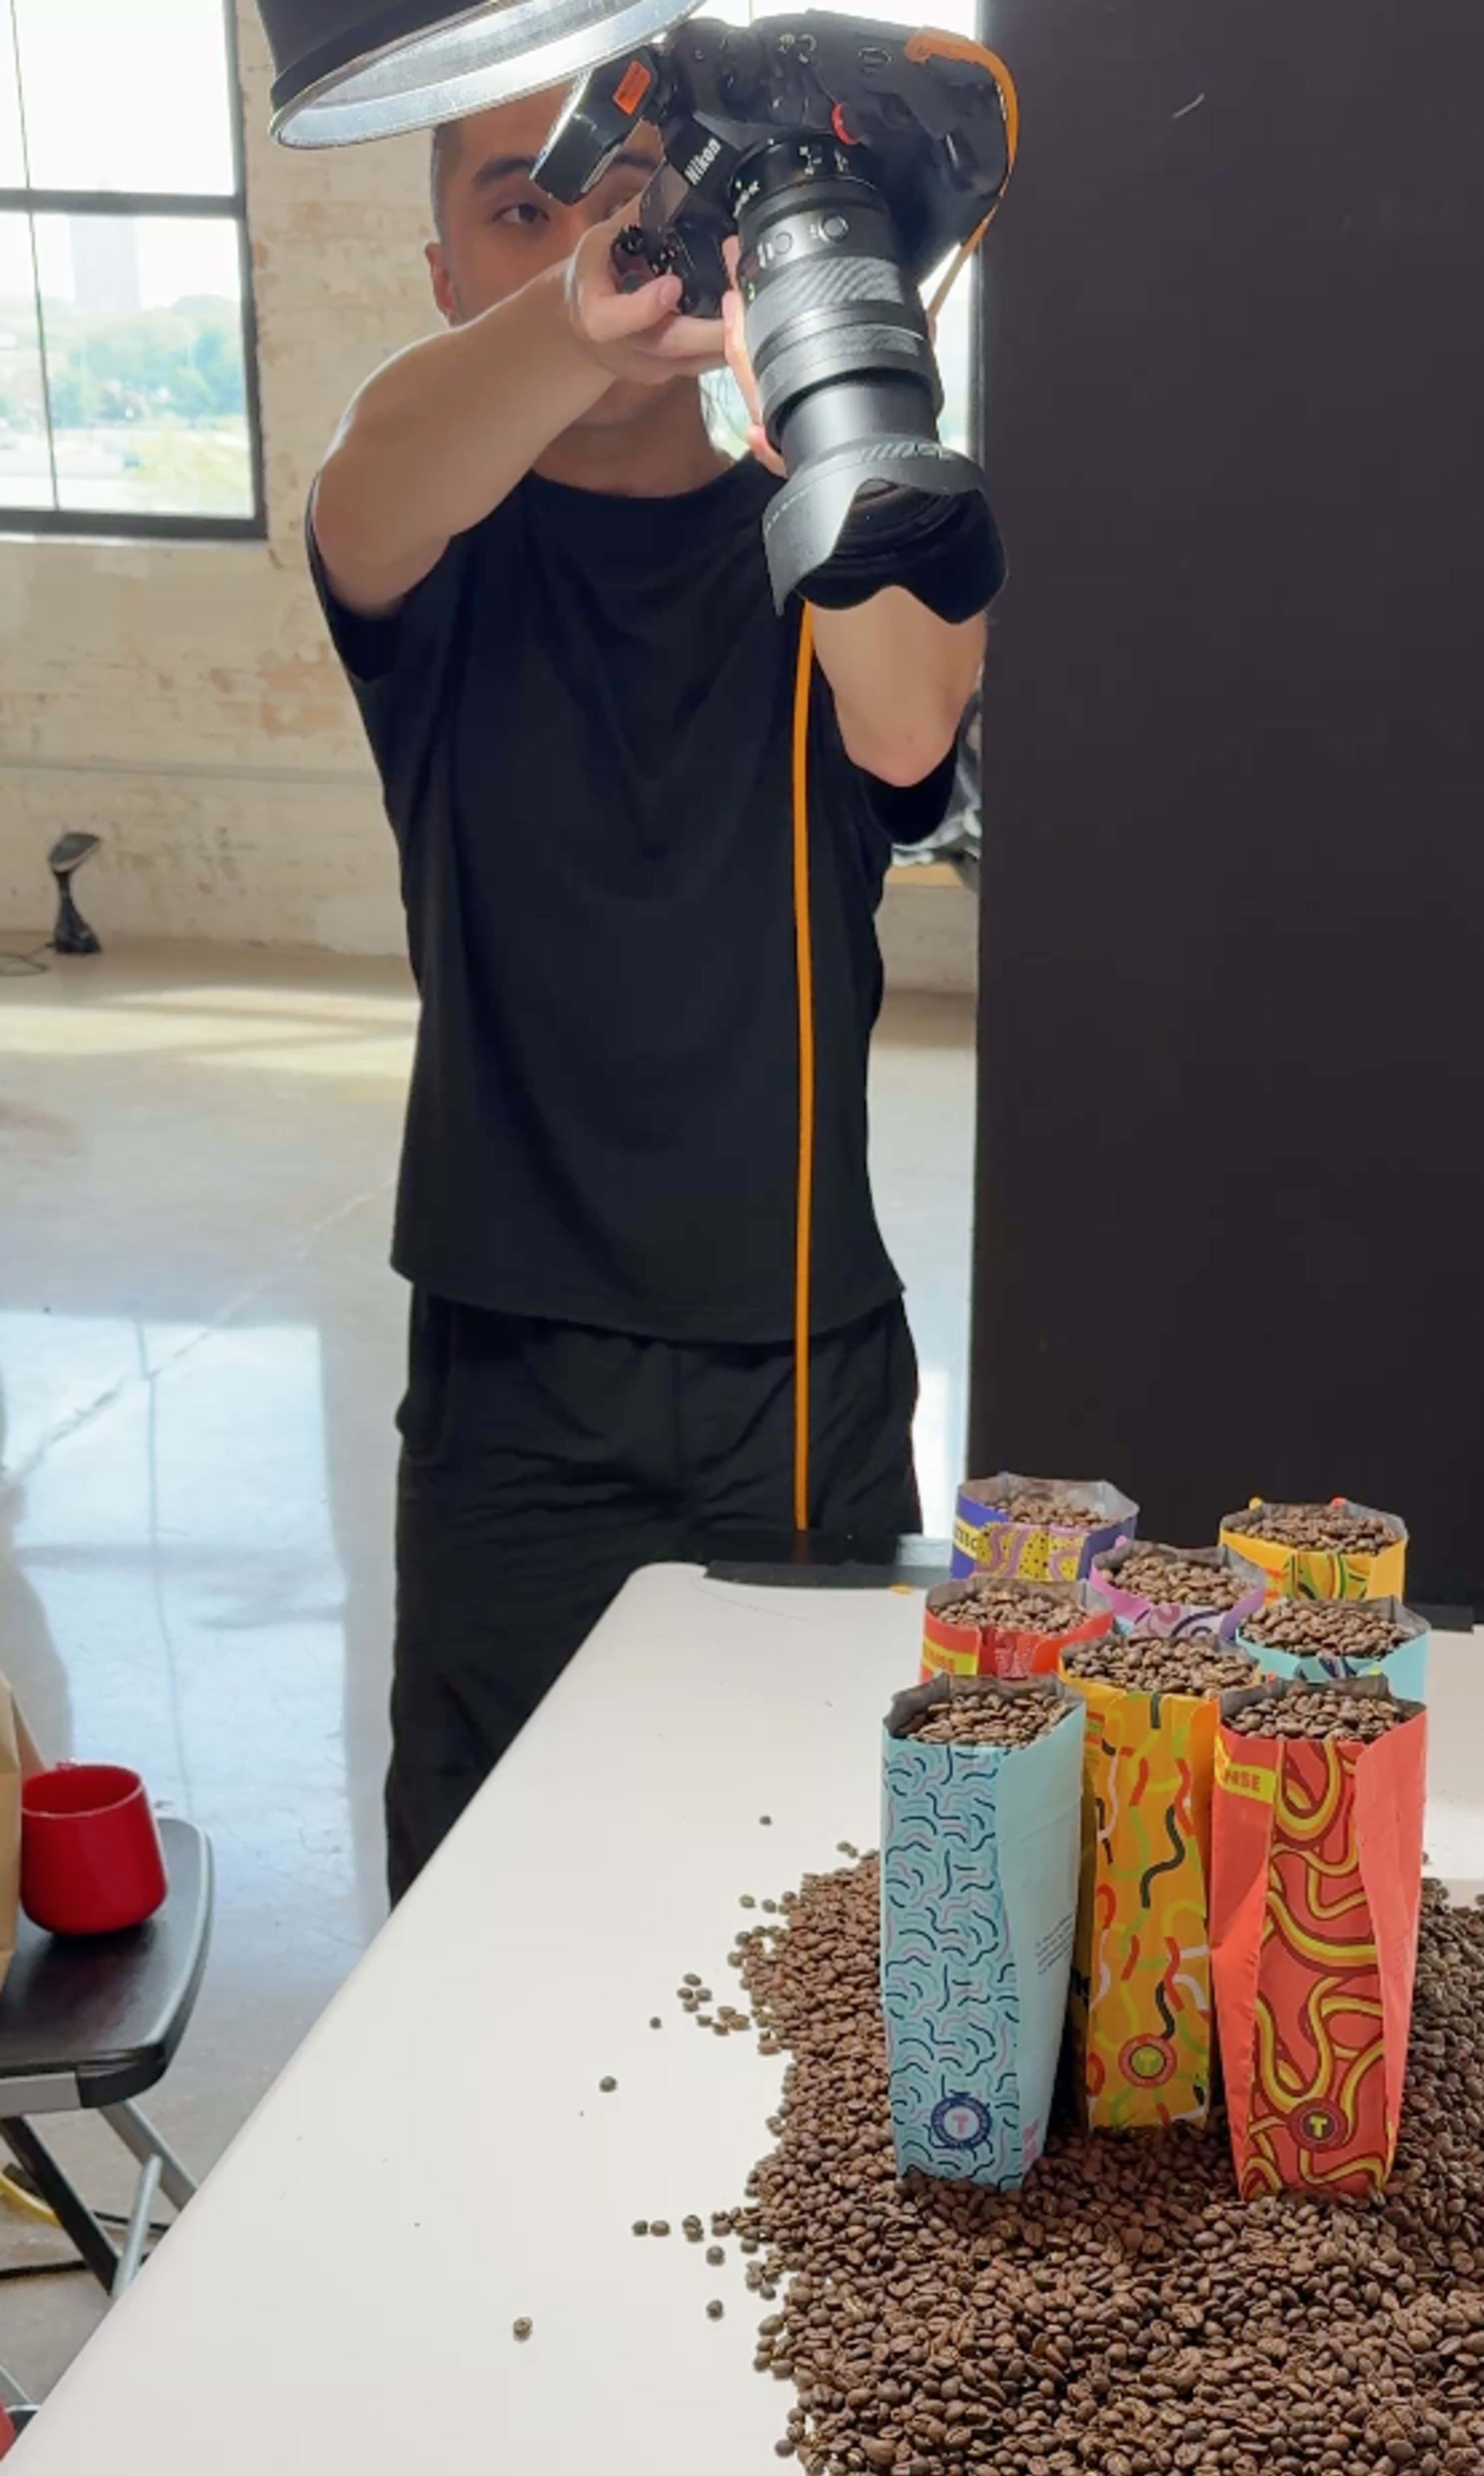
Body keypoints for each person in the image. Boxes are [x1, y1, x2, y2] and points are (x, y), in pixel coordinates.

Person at [309, 90, 990, 1896]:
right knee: (483, 1911)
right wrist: (587, 298)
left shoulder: (823, 525)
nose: (595, 242)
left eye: (634, 206)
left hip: (798, 1370)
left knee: (824, 1918)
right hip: (510, 1385)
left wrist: (818, 348)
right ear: (447, 265)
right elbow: (365, 479)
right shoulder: (437, 558)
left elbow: (912, 717)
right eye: (521, 213)